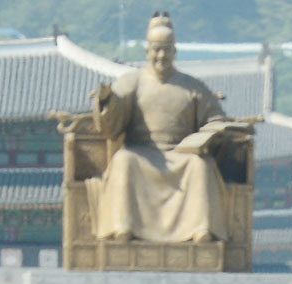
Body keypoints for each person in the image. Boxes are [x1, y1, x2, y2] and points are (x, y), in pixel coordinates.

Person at [86, 12, 240, 245]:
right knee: (123, 161)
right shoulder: (132, 82)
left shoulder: (192, 87)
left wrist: (213, 132)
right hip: (141, 154)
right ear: (147, 51)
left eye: (166, 50)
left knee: (200, 166)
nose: (161, 55)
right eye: (156, 49)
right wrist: (106, 101)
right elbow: (112, 120)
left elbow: (215, 118)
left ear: (174, 51)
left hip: (181, 156)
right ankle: (123, 226)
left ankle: (200, 229)